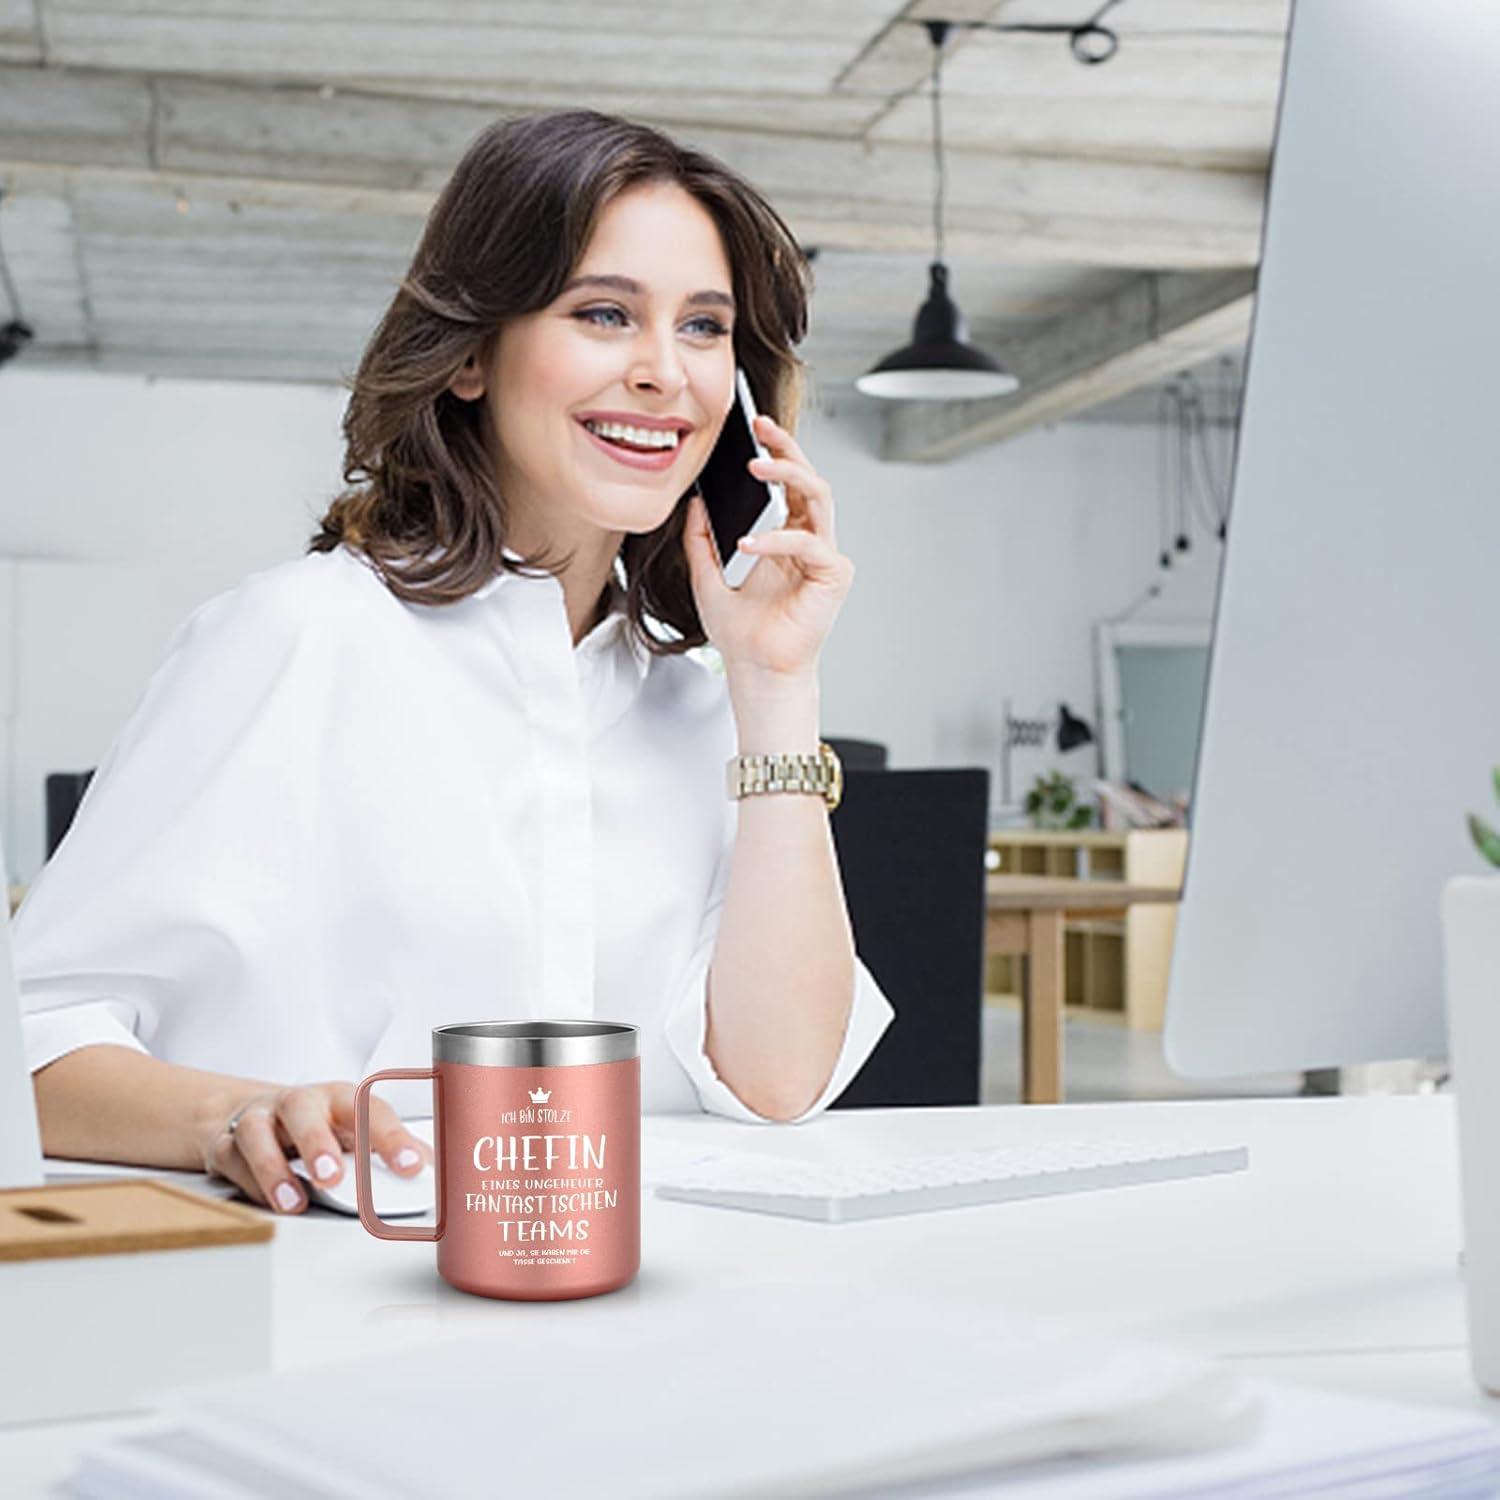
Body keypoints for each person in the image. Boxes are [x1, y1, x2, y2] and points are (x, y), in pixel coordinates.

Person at [15, 109, 894, 1214]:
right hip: (335, 1310)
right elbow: (33, 1040)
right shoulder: (296, 638)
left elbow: (778, 1085)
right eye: (605, 313)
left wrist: (774, 692)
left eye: (706, 328)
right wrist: (233, 1116)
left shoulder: (695, 704)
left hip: (639, 1318)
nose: (665, 373)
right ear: (474, 353)